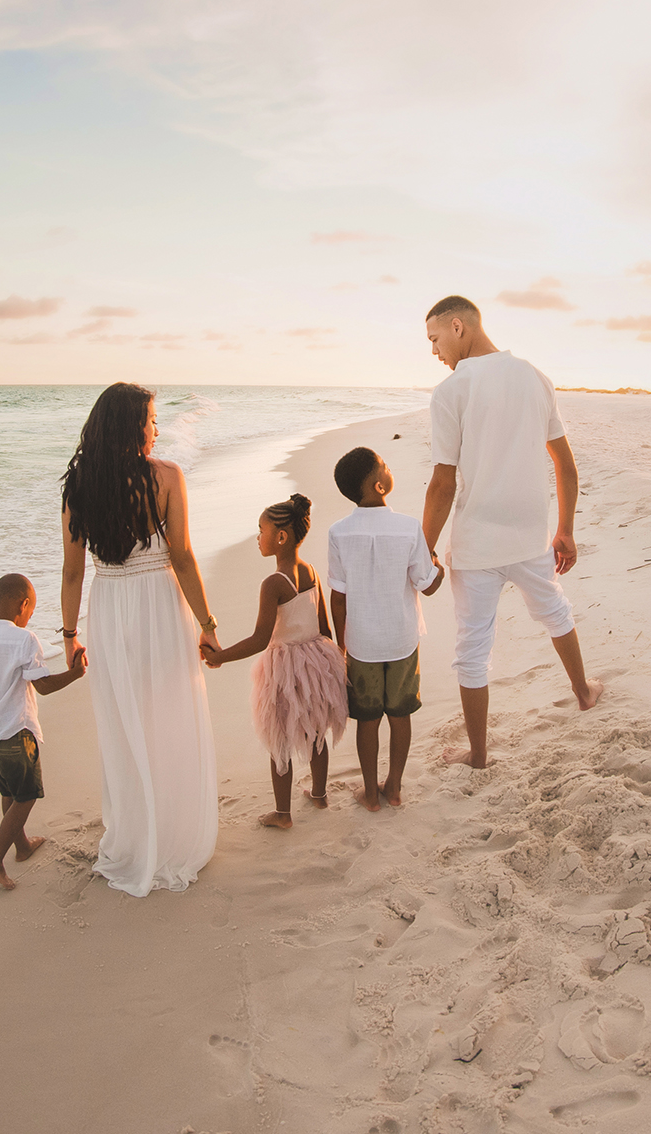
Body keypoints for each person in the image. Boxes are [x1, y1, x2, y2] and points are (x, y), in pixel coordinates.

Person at [421, 294, 602, 768]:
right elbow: (565, 464)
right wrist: (565, 529)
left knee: (473, 645)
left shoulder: (450, 392)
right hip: (528, 537)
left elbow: (442, 483)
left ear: (457, 327)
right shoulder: (535, 378)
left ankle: (479, 755)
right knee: (555, 611)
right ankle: (584, 692)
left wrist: (423, 550)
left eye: (435, 339)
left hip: (477, 542)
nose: (434, 351)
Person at [59, 382, 221, 896]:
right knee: (168, 711)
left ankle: (134, 832)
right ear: (133, 425)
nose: (156, 428)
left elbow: (71, 573)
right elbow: (182, 556)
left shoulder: (79, 483)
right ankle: (171, 831)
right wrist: (209, 626)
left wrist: (68, 637)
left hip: (108, 607)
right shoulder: (167, 476)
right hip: (157, 603)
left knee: (124, 718)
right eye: (151, 419)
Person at [202, 494, 348, 828]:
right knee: (315, 732)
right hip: (317, 661)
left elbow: (260, 638)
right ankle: (319, 794)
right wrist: (336, 659)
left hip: (285, 668)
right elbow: (324, 626)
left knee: (279, 738)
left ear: (280, 536)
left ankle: (283, 814)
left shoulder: (273, 584)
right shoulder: (310, 570)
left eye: (261, 530)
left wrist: (221, 657)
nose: (258, 537)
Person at [0, 572, 87, 890]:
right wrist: (76, 673)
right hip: (17, 733)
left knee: (8, 793)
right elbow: (43, 686)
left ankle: (22, 847)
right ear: (24, 605)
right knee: (26, 796)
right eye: (31, 610)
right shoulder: (25, 639)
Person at [326, 447, 444, 810]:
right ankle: (393, 786)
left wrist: (341, 646)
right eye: (385, 466)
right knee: (400, 714)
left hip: (362, 642)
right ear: (380, 486)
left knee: (367, 718)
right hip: (402, 639)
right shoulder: (409, 527)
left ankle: (370, 792)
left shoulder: (339, 532)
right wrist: (438, 565)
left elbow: (339, 597)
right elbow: (428, 585)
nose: (389, 468)